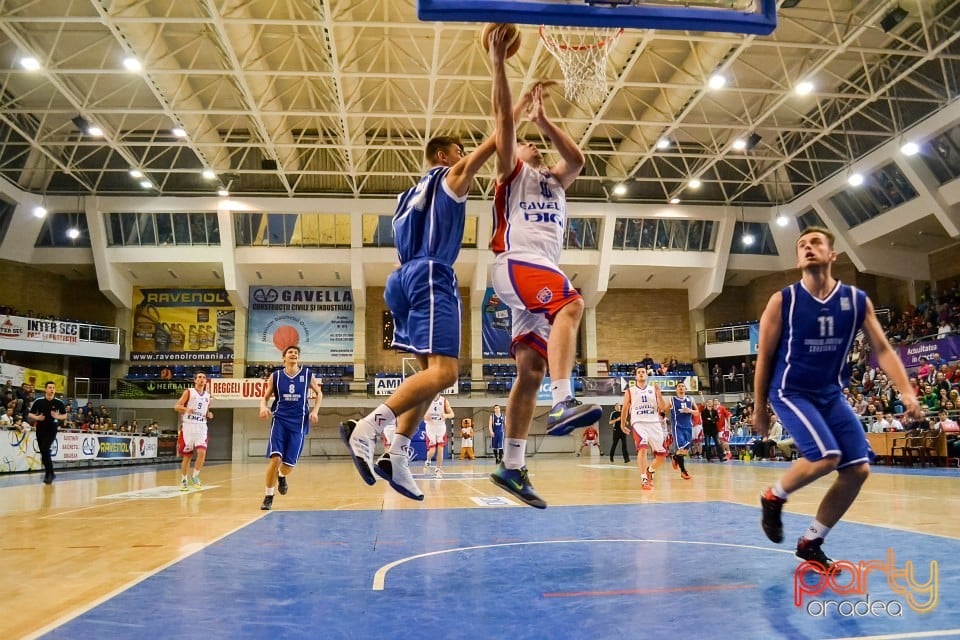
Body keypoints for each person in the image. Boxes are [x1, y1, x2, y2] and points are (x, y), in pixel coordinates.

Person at [341, 28, 499, 501]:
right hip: (431, 274)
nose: (464, 156)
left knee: (428, 378)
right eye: (459, 151)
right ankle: (369, 428)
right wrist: (507, 122)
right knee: (447, 373)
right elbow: (485, 151)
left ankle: (398, 453)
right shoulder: (446, 179)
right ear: (443, 156)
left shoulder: (405, 196)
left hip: (403, 279)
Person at [756, 226, 922, 571]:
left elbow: (882, 348)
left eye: (816, 243)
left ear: (832, 255)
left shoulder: (856, 301)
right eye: (802, 245)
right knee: (826, 457)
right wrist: (759, 408)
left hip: (830, 394)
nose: (808, 247)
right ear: (798, 258)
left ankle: (812, 541)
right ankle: (773, 496)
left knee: (858, 470)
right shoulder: (783, 300)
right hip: (790, 391)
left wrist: (906, 391)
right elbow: (764, 357)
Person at [486, 35, 601, 509]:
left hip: (535, 275)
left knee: (529, 371)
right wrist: (499, 66)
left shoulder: (556, 182)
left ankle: (511, 466)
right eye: (526, 142)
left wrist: (545, 121)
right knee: (573, 304)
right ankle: (564, 402)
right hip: (516, 264)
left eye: (534, 142)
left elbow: (578, 159)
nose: (530, 144)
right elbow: (501, 124)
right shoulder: (510, 175)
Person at [258, 346, 323, 510]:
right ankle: (268, 496)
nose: (293, 354)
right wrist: (263, 407)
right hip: (280, 419)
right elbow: (264, 397)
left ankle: (281, 476)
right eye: (290, 353)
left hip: (299, 422)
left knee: (288, 466)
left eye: (296, 353)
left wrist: (315, 410)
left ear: (298, 358)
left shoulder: (307, 374)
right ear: (284, 358)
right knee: (276, 459)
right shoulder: (276, 376)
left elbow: (319, 393)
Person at [622, 368, 670, 490]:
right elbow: (624, 409)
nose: (641, 374)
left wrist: (659, 395)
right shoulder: (630, 391)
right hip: (638, 422)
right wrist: (622, 424)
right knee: (642, 448)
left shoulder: (653, 389)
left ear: (647, 375)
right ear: (635, 377)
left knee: (662, 455)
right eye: (639, 372)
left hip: (654, 423)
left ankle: (650, 471)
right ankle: (644, 479)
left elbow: (663, 408)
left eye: (643, 372)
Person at [174, 372, 213, 491]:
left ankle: (195, 476)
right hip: (188, 427)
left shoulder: (208, 396)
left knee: (202, 452)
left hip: (201, 427)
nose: (202, 379)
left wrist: (209, 414)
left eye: (204, 377)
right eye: (199, 377)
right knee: (187, 456)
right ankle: (184, 480)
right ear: (195, 380)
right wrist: (186, 409)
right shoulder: (189, 392)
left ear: (206, 381)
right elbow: (176, 406)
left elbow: (206, 412)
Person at [27, 381, 66, 484]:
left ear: (55, 390)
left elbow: (65, 415)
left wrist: (57, 416)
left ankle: (49, 474)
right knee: (44, 452)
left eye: (53, 388)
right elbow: (30, 414)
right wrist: (37, 418)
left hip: (52, 429)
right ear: (45, 389)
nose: (52, 389)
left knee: (45, 449)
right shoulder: (39, 401)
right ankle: (50, 473)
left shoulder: (59, 402)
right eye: (49, 387)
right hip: (40, 429)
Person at [669, 382, 698, 480]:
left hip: (688, 427)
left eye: (682, 386)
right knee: (681, 449)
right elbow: (663, 408)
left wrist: (690, 411)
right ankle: (683, 471)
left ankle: (674, 457)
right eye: (679, 386)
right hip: (678, 427)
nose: (681, 388)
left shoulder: (690, 399)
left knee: (685, 451)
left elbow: (697, 413)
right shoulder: (672, 399)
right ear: (676, 389)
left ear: (685, 388)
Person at [423, 393, 454, 476]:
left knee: (440, 449)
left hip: (440, 427)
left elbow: (452, 414)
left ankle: (437, 469)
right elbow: (421, 414)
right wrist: (425, 416)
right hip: (430, 427)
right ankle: (428, 460)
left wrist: (446, 415)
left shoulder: (444, 401)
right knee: (432, 451)